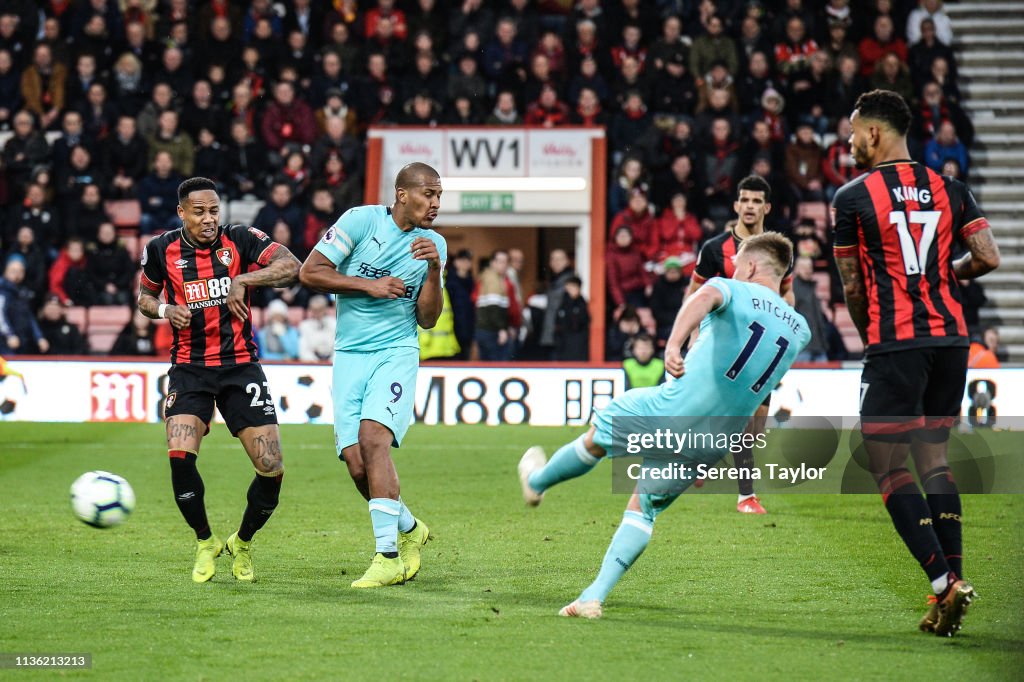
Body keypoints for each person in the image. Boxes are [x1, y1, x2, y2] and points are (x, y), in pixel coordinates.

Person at [518, 233, 810, 619]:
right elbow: (761, 399)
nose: (734, 269)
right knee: (643, 507)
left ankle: (536, 483)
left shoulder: (730, 288)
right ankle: (592, 597)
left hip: (670, 409)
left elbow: (702, 297)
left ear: (752, 266)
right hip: (715, 440)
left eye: (738, 263)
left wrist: (672, 345)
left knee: (596, 439)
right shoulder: (799, 330)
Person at [832, 89, 1001, 637]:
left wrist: (872, 338)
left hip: (896, 343)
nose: (850, 142)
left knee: (887, 467)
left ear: (875, 134)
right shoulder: (951, 188)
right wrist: (943, 278)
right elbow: (988, 257)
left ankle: (943, 584)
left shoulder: (853, 197)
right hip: (951, 340)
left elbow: (855, 286)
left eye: (855, 132)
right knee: (935, 461)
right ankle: (953, 590)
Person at [138, 176, 301, 583]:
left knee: (271, 467)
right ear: (182, 213)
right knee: (179, 454)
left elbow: (292, 266)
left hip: (240, 365)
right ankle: (205, 540)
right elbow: (144, 298)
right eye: (199, 212)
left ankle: (242, 542)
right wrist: (162, 312)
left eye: (214, 210)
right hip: (189, 368)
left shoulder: (242, 239)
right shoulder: (160, 249)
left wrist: (244, 279)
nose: (209, 219)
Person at [298, 162, 446, 588]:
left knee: (374, 439)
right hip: (349, 354)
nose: (435, 203)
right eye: (428, 194)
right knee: (357, 464)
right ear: (402, 194)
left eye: (439, 196)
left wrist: (435, 270)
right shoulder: (361, 221)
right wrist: (370, 285)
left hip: (395, 351)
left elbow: (429, 319)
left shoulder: (433, 244)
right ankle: (411, 528)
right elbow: (310, 272)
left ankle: (387, 557)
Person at [686, 175, 795, 514]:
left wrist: (786, 318)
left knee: (756, 429)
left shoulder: (777, 250)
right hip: (727, 345)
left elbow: (787, 291)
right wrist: (691, 337)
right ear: (735, 206)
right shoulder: (714, 249)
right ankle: (746, 496)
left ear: (766, 207)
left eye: (755, 201)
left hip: (763, 347)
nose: (749, 206)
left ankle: (704, 454)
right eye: (744, 200)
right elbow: (695, 294)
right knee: (743, 421)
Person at [553, 275, 589, 361]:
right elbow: (557, 322)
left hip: (578, 343)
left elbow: (583, 322)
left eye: (572, 286)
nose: (569, 289)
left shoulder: (581, 304)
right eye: (568, 286)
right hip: (563, 343)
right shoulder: (561, 303)